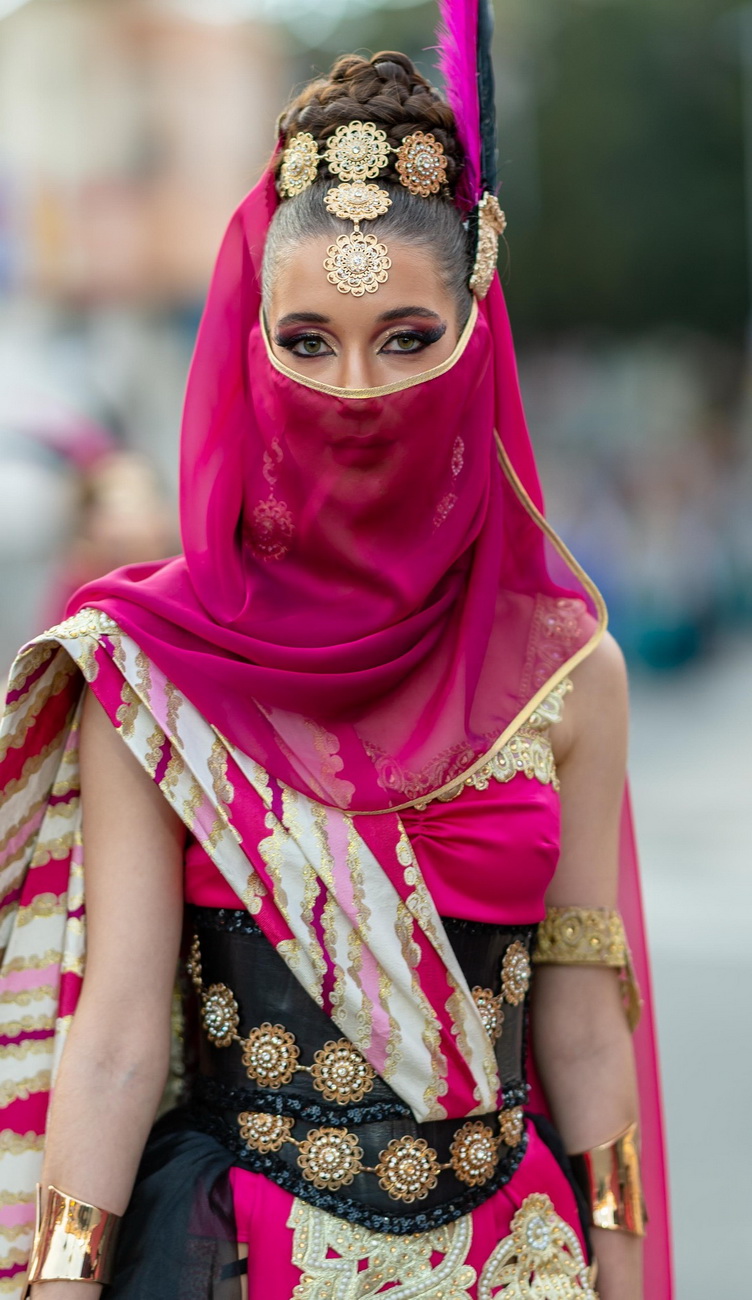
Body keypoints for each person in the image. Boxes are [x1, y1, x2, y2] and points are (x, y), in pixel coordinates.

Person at [0, 7, 672, 1299]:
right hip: (248, 1259)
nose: (356, 391)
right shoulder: (154, 672)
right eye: (309, 342)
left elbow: (585, 1029)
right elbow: (119, 1036)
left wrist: (626, 1271)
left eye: (405, 338)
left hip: (512, 1263)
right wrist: (62, 1280)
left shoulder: (571, 677)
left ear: (474, 336)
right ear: (254, 348)